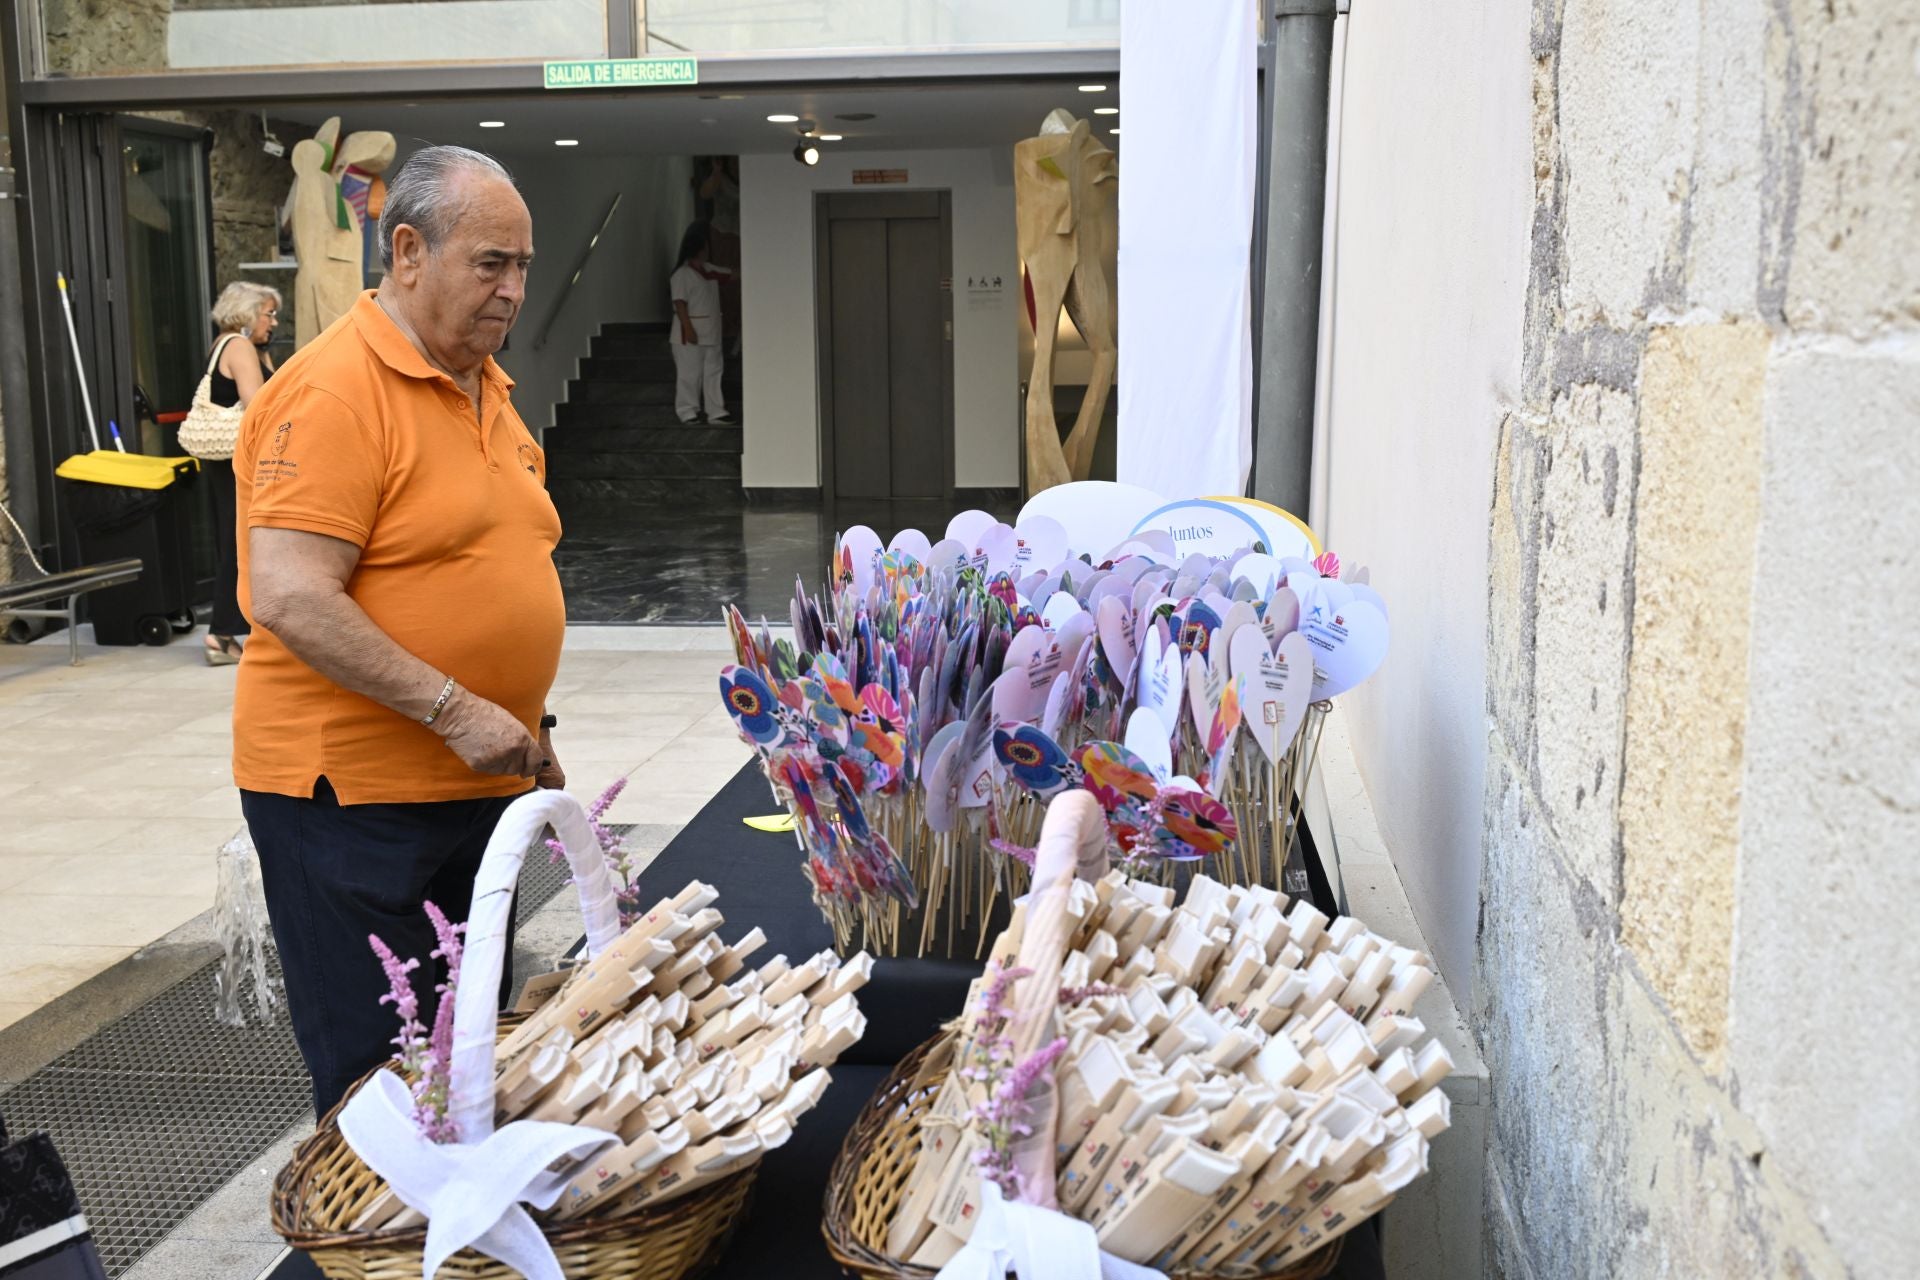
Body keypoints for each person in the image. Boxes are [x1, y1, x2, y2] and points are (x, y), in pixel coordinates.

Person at [231, 144, 565, 1117]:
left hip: (474, 784)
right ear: (408, 249)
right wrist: (456, 706)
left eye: (523, 266)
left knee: (467, 1060)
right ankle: (382, 1258)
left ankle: (460, 1252)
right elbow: (290, 593)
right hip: (354, 804)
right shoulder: (334, 390)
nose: (511, 289)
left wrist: (528, 724)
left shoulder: (487, 387)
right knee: (385, 1075)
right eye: (490, 263)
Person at [201, 281, 280, 666]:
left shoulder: (225, 344)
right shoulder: (239, 346)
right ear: (248, 313)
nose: (274, 321)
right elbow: (260, 404)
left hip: (222, 459)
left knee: (234, 541)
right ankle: (222, 631)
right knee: (240, 543)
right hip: (236, 458)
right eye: (268, 313)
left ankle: (230, 628)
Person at [668, 220, 734, 424]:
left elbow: (731, 275)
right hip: (689, 334)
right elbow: (679, 303)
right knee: (689, 374)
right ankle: (687, 410)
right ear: (697, 249)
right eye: (705, 246)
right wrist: (688, 329)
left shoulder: (708, 270)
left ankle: (715, 411)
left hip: (712, 332)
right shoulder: (682, 274)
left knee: (714, 372)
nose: (707, 250)